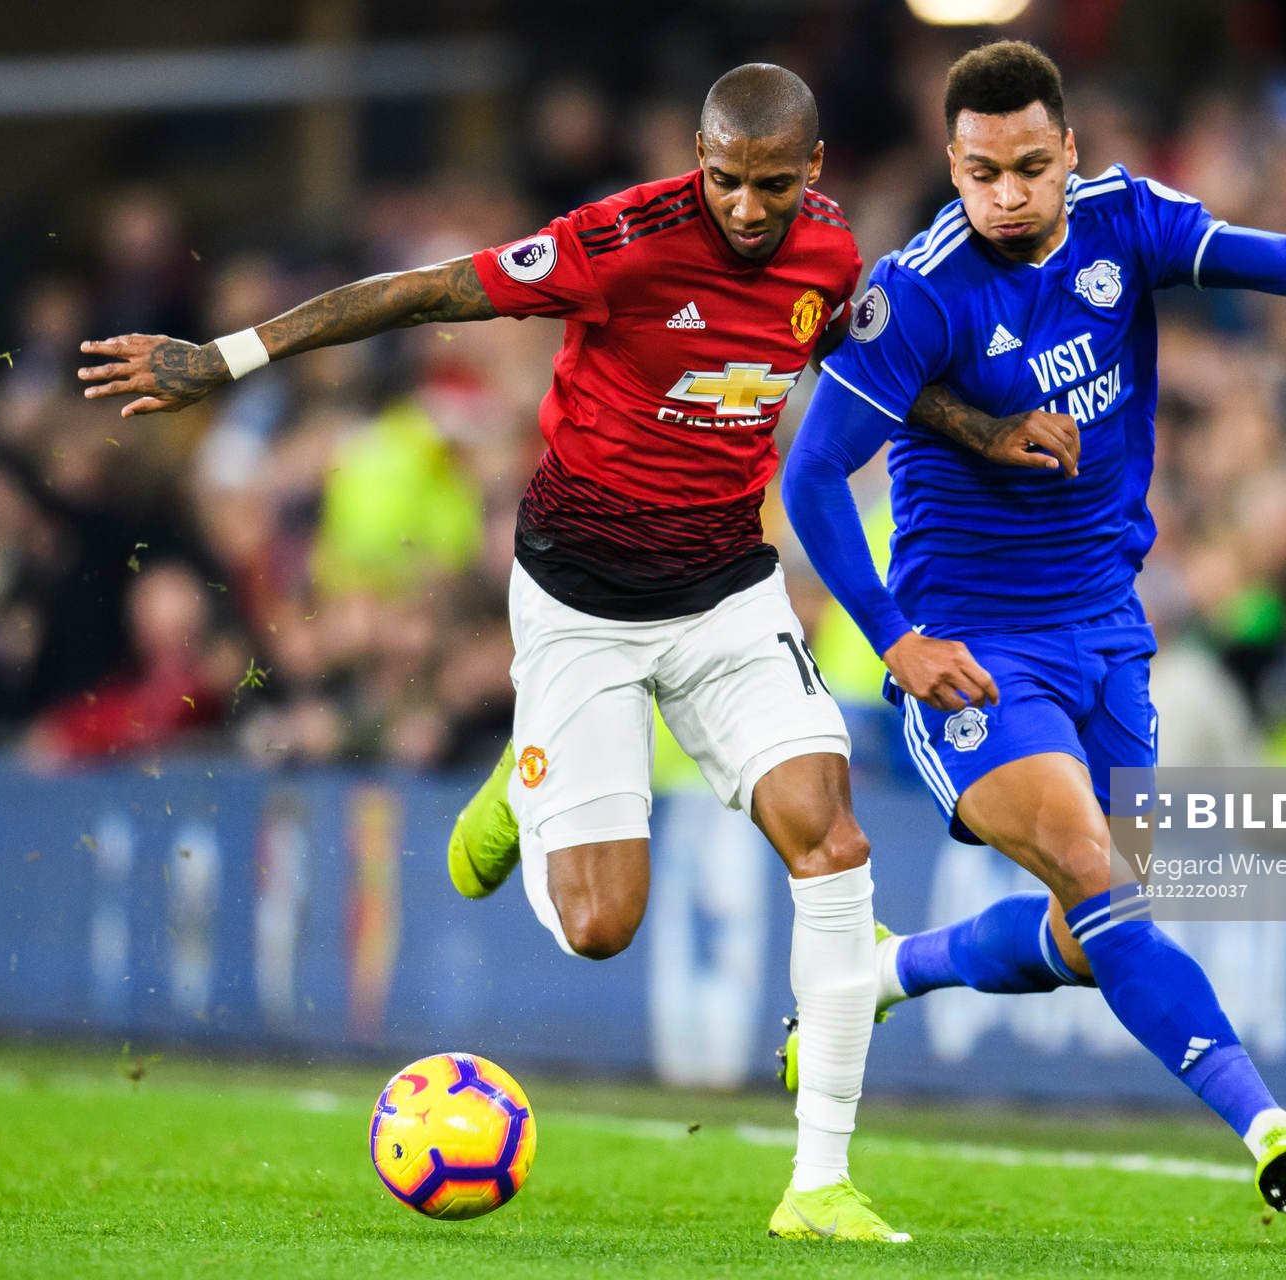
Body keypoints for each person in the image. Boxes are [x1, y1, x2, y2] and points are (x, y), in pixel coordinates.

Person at [80, 63, 947, 1244]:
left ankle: (822, 1184)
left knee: (830, 835)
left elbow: (874, 371)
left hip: (727, 593)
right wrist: (229, 359)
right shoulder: (624, 239)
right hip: (580, 602)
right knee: (600, 926)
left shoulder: (832, 256)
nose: (747, 209)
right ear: (700, 160)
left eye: (772, 187)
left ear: (815, 171)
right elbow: (428, 289)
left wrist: (994, 427)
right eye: (727, 182)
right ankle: (522, 781)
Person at [780, 39, 1286, 1231]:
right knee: (1099, 875)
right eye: (980, 172)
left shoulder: (1129, 223)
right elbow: (809, 480)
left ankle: (890, 969)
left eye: (1030, 167)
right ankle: (1270, 1124)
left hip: (1109, 629)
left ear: (1072, 153)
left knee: (1090, 921)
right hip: (977, 648)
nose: (1006, 195)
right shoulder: (917, 293)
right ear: (951, 166)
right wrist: (896, 639)